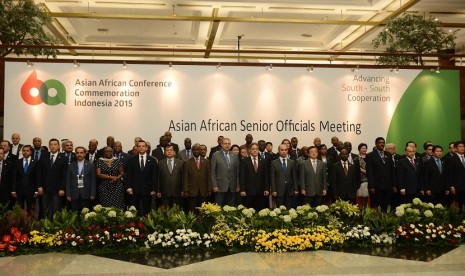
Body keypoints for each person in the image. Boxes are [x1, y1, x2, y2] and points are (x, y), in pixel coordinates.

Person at [126, 140, 158, 215]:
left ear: (146, 148)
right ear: (137, 148)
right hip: (134, 189)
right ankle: (134, 226)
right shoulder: (131, 159)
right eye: (139, 146)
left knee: (147, 211)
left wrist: (153, 189)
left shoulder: (153, 160)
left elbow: (154, 176)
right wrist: (129, 187)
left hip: (147, 189)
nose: (141, 148)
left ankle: (146, 226)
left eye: (143, 146)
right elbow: (129, 174)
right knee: (134, 211)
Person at [366, 137, 395, 211]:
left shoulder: (388, 154)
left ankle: (385, 220)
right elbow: (370, 172)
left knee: (386, 205)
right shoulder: (370, 155)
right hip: (376, 186)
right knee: (376, 205)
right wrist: (371, 186)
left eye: (383, 143)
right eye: (380, 142)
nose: (382, 144)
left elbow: (392, 170)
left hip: (387, 186)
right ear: (376, 144)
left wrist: (393, 184)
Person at [41, 138, 68, 219]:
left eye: (55, 144)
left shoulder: (63, 158)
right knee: (45, 209)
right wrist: (39, 186)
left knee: (57, 209)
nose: (53, 146)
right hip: (45, 189)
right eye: (51, 145)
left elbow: (64, 175)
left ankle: (56, 227)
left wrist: (62, 188)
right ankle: (45, 227)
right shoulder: (43, 157)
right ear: (49, 146)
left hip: (57, 189)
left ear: (58, 146)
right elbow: (39, 173)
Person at [11, 145, 42, 214]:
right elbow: (14, 177)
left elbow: (38, 177)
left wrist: (37, 190)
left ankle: (31, 224)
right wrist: (13, 190)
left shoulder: (36, 162)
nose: (25, 152)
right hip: (19, 190)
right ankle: (20, 224)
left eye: (27, 151)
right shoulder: (17, 162)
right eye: (24, 151)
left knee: (31, 210)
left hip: (31, 190)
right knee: (19, 210)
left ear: (31, 152)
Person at [65, 146, 96, 212]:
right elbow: (68, 180)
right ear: (75, 154)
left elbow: (93, 181)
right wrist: (68, 194)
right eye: (77, 153)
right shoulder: (70, 165)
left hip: (86, 193)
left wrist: (92, 193)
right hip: (74, 194)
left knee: (85, 214)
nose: (79, 154)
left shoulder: (91, 165)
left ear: (85, 154)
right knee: (74, 214)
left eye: (81, 153)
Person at [211, 138, 240, 207]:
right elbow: (213, 172)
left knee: (231, 207)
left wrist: (238, 184)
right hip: (220, 186)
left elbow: (237, 172)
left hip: (232, 186)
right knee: (219, 206)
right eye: (225, 143)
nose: (227, 145)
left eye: (229, 144)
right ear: (221, 144)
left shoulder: (235, 156)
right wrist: (214, 185)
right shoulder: (215, 155)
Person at [240, 142, 269, 210]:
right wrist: (243, 190)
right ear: (249, 150)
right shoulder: (244, 161)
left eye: (256, 149)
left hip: (261, 191)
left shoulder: (264, 161)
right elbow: (242, 176)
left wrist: (267, 189)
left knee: (260, 211)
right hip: (248, 192)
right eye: (253, 149)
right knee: (249, 211)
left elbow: (266, 176)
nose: (255, 150)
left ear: (258, 150)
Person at [183, 143, 211, 212]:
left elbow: (208, 176)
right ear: (192, 151)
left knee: (203, 211)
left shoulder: (206, 162)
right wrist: (186, 190)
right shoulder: (187, 162)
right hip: (191, 191)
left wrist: (209, 189)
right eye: (194, 150)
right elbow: (185, 177)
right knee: (192, 211)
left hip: (203, 191)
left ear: (200, 151)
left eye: (198, 149)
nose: (196, 151)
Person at [270, 144, 298, 209]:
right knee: (279, 209)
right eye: (282, 150)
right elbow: (272, 178)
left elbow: (294, 177)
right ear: (278, 151)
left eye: (286, 150)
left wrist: (296, 189)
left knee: (289, 209)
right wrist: (273, 190)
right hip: (278, 190)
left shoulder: (292, 162)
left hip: (290, 190)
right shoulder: (273, 163)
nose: (284, 151)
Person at [448, 141, 465, 210]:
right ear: (455, 148)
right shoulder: (452, 159)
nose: (462, 148)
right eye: (460, 146)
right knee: (458, 205)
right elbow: (449, 173)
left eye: (463, 146)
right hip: (457, 186)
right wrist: (451, 185)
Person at [357, 143, 369, 208]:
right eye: (362, 148)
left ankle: (366, 209)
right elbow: (355, 167)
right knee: (360, 197)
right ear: (359, 149)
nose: (364, 149)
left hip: (368, 179)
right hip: (360, 179)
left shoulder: (369, 156)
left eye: (365, 148)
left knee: (366, 196)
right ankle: (361, 209)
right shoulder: (357, 157)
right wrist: (362, 170)